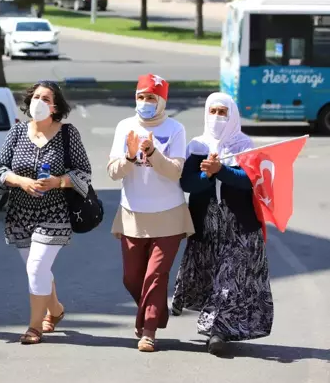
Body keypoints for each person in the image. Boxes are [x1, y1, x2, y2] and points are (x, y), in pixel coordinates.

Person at [171, 92, 273, 356]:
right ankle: (220, 328)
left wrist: (222, 171)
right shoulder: (197, 145)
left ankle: (217, 331)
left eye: (223, 112)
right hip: (207, 224)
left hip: (239, 226)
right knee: (213, 278)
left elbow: (249, 179)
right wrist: (207, 174)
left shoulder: (244, 144)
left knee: (230, 278)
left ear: (232, 115)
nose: (217, 117)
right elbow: (187, 183)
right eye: (213, 111)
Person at [0, 81, 92, 345]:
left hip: (54, 214)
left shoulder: (67, 134)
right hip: (20, 215)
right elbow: (0, 170)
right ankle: (56, 309)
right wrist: (20, 181)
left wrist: (58, 181)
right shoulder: (16, 133)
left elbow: (84, 173)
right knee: (36, 269)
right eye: (35, 96)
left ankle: (34, 327)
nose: (39, 101)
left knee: (37, 267)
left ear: (55, 106)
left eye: (46, 98)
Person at [106, 74, 194, 352]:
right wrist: (130, 157)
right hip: (133, 213)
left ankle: (149, 330)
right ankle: (153, 311)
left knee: (155, 276)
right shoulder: (125, 127)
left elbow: (175, 172)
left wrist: (153, 152)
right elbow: (112, 172)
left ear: (162, 101)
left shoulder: (175, 128)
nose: (145, 102)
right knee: (131, 278)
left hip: (168, 214)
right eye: (141, 97)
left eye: (151, 98)